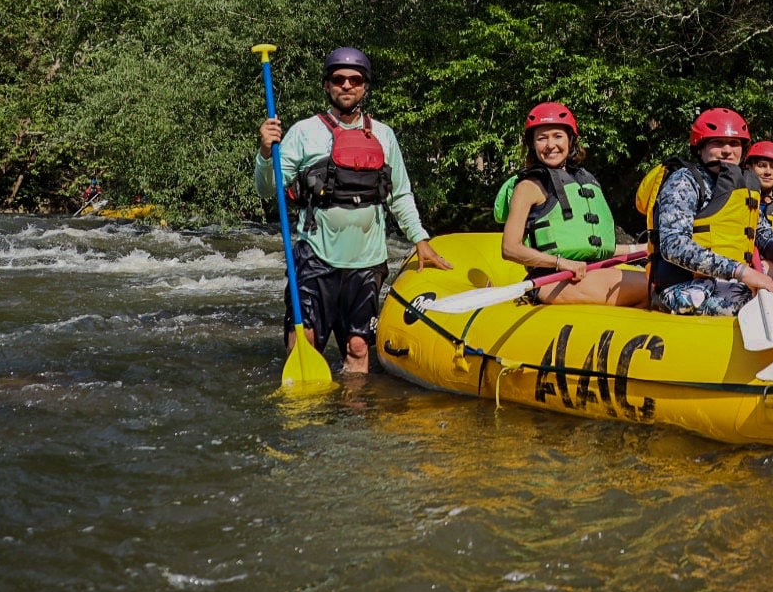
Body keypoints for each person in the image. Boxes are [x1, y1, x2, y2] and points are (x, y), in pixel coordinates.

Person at [255, 46, 452, 376]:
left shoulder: (384, 135)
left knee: (358, 347)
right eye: (339, 79)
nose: (347, 85)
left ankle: (353, 422)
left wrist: (420, 238)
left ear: (365, 86)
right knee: (303, 339)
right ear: (327, 85)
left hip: (366, 260)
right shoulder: (303, 133)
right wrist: (264, 152)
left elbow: (400, 194)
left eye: (355, 80)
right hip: (313, 257)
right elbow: (267, 189)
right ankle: (304, 420)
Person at [647, 108, 773, 319]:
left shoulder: (741, 185)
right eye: (717, 143)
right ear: (700, 148)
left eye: (734, 143)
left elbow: (761, 230)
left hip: (729, 280)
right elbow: (674, 245)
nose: (727, 150)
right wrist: (741, 272)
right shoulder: (684, 181)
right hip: (689, 288)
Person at [494, 101, 648, 306]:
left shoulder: (583, 180)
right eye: (542, 138)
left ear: (570, 140)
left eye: (558, 136)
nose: (550, 145)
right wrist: (560, 263)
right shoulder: (528, 186)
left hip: (591, 272)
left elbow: (596, 248)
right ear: (532, 144)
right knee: (653, 285)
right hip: (552, 279)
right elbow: (510, 248)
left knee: (658, 283)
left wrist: (641, 248)